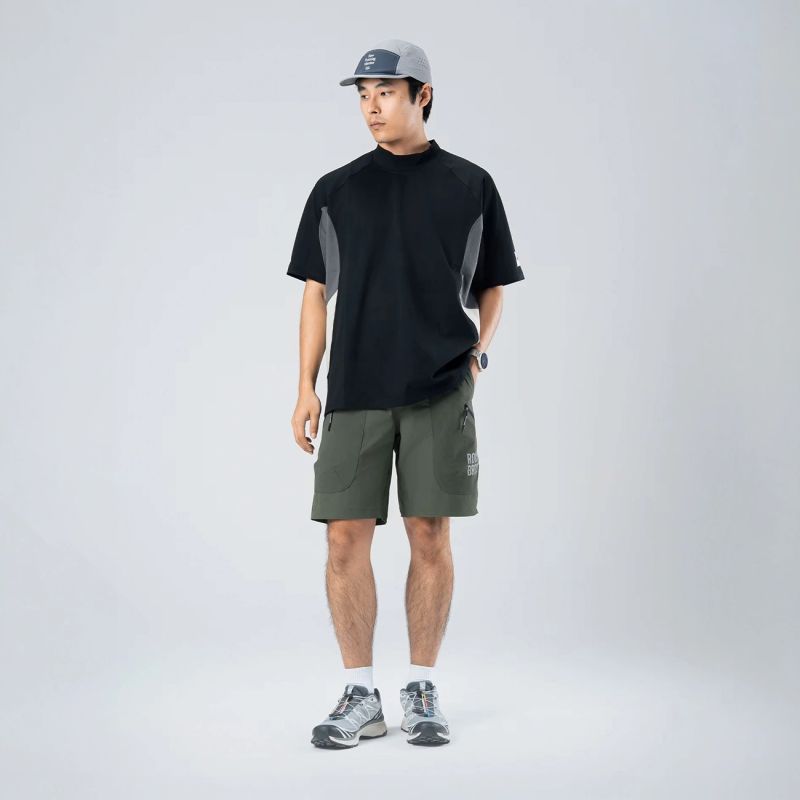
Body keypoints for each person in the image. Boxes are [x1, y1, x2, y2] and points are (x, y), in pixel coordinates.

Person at [286, 39, 525, 748]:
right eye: (363, 95)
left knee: (429, 532)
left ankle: (421, 688)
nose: (371, 106)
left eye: (385, 92)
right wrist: (304, 386)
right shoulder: (336, 190)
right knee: (342, 539)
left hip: (439, 389)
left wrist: (478, 353)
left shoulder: (470, 185)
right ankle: (360, 694)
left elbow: (494, 284)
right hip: (355, 388)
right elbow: (315, 293)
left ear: (423, 95)